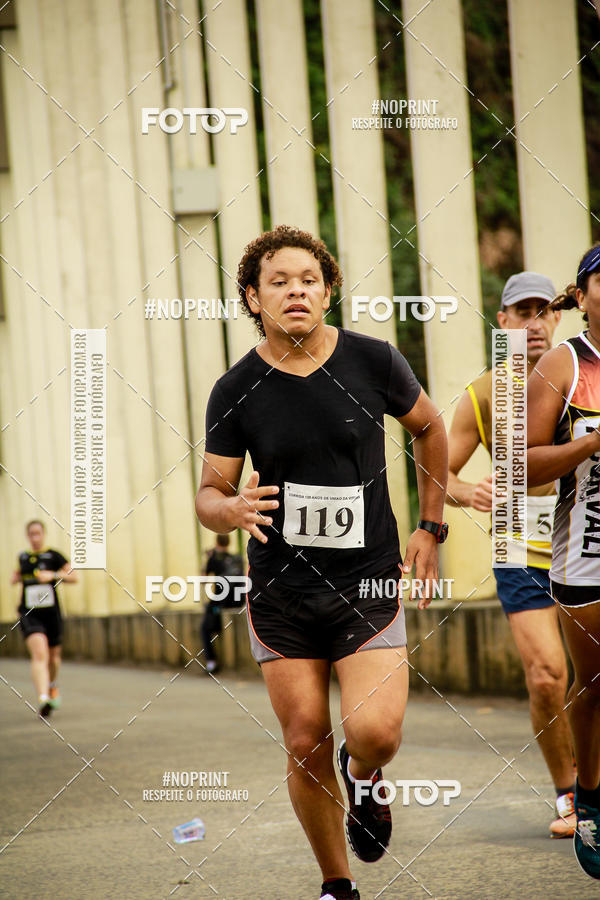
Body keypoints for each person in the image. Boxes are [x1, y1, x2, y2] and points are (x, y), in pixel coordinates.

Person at [195, 225, 448, 900]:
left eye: (308, 279)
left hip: (365, 578)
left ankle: (365, 777)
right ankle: (337, 883)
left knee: (375, 732)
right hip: (281, 589)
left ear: (329, 291)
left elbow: (430, 427)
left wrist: (431, 524)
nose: (295, 291)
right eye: (278, 281)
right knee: (305, 738)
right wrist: (233, 510)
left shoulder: (373, 361)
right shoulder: (236, 388)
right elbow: (209, 493)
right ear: (253, 297)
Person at [446, 272, 576, 838]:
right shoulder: (482, 393)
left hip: (585, 535)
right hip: (518, 540)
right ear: (502, 323)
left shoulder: (582, 378)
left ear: (557, 319)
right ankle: (570, 794)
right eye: (521, 312)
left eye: (543, 311)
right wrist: (468, 490)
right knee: (548, 675)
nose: (534, 322)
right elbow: (436, 471)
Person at [527, 244, 600, 880]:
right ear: (581, 296)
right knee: (590, 682)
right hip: (586, 551)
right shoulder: (563, 366)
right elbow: (522, 468)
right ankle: (590, 796)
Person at [10, 520, 77, 717]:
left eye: (38, 533)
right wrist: (15, 579)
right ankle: (43, 699)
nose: (35, 537)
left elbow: (74, 576)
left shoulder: (54, 556)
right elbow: (14, 578)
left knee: (54, 657)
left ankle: (51, 686)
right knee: (40, 654)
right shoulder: (22, 557)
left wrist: (54, 575)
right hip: (30, 613)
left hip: (51, 614)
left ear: (44, 534)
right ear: (27, 536)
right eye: (31, 534)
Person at [200, 533, 244, 674]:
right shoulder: (236, 558)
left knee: (204, 628)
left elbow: (203, 580)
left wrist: (207, 559)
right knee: (213, 612)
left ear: (216, 542)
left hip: (220, 604)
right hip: (237, 602)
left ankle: (211, 662)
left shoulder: (213, 558)